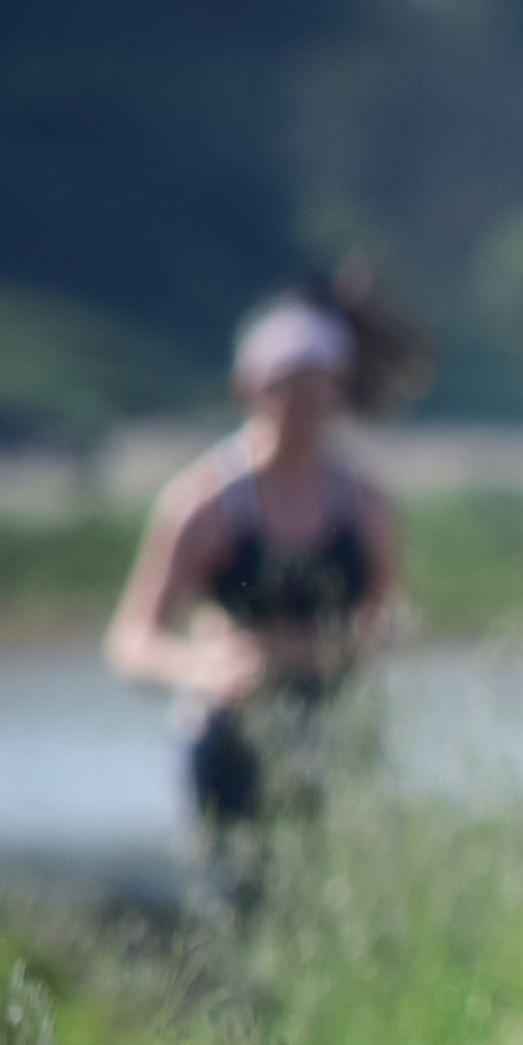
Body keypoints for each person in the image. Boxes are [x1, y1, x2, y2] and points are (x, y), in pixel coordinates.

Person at [106, 275, 424, 895]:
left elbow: (390, 618)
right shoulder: (204, 504)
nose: (304, 405)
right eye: (288, 386)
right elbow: (131, 641)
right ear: (249, 387)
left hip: (336, 731)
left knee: (340, 900)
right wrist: (202, 668)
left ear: (341, 391)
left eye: (319, 387)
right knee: (239, 900)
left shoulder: (366, 506)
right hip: (232, 738)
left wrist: (344, 643)